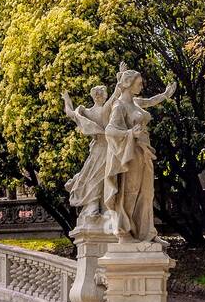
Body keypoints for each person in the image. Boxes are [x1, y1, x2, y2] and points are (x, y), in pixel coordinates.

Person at [102, 68, 175, 242]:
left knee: (147, 193)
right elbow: (109, 130)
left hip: (144, 153)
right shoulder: (119, 106)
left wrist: (165, 95)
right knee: (130, 192)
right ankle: (124, 232)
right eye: (139, 83)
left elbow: (150, 101)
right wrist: (129, 133)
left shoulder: (135, 102)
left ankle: (147, 232)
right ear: (128, 84)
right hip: (130, 154)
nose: (141, 86)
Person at [62, 85, 111, 222]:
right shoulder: (104, 111)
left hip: (103, 149)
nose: (101, 96)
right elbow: (71, 114)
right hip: (103, 149)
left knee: (99, 178)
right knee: (98, 178)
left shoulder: (93, 111)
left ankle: (100, 209)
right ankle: (96, 208)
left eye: (102, 94)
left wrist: (67, 99)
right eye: (100, 94)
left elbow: (70, 113)